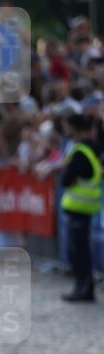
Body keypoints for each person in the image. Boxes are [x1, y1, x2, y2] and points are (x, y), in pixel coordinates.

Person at [60, 113, 102, 302]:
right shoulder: (93, 147)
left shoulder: (80, 151)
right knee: (82, 249)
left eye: (67, 126)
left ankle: (83, 288)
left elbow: (67, 179)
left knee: (78, 251)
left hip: (79, 207)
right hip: (87, 207)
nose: (65, 130)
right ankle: (85, 287)